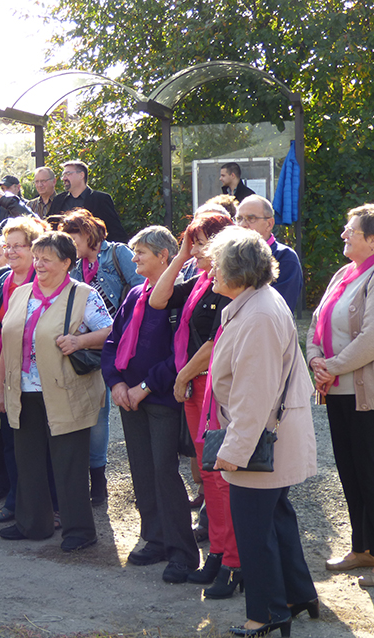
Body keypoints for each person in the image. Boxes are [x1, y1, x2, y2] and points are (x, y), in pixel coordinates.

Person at [206, 226, 318, 636]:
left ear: (238, 270)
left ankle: (268, 614)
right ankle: (298, 595)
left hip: (260, 442)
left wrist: (233, 450)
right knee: (277, 519)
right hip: (271, 437)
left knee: (254, 530)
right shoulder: (257, 305)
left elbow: (255, 395)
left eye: (217, 264)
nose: (211, 271)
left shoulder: (259, 315)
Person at [308, 203, 374, 588]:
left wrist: (330, 366)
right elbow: (316, 321)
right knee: (350, 470)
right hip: (338, 390)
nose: (343, 235)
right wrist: (316, 358)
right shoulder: (344, 273)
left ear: (373, 239)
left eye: (351, 231)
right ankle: (364, 547)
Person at [0, 231, 112, 551]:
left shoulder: (83, 295)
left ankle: (80, 530)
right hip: (24, 391)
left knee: (69, 463)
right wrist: (1, 391)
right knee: (28, 460)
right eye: (36, 257)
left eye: (46, 259)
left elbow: (111, 332)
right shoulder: (21, 293)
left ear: (66, 263)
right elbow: (6, 343)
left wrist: (80, 341)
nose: (39, 264)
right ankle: (33, 524)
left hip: (65, 391)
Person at [101, 225, 199, 583]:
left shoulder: (178, 298)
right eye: (134, 251)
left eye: (142, 252)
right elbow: (113, 341)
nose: (134, 257)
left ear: (164, 256)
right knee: (142, 470)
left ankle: (182, 553)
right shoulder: (134, 295)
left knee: (163, 471)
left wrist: (144, 386)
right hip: (130, 397)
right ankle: (154, 537)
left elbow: (181, 354)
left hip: (159, 397)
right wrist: (115, 383)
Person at [148, 212, 239, 597]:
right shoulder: (202, 280)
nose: (197, 250)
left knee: (220, 479)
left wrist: (183, 376)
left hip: (213, 388)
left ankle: (231, 560)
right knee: (208, 476)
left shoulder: (228, 286)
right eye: (194, 242)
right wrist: (182, 252)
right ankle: (217, 552)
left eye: (203, 242)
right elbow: (157, 299)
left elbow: (215, 340)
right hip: (195, 390)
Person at [63, 209, 144, 506]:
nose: (69, 244)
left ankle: (100, 480)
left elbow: (140, 289)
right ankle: (82, 477)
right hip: (86, 346)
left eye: (73, 237)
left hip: (121, 340)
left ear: (88, 234)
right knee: (86, 410)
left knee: (103, 413)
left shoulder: (117, 254)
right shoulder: (71, 266)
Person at [0, 216, 48, 522]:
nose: (13, 251)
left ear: (35, 249)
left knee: (35, 446)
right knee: (9, 441)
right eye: (9, 245)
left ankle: (37, 507)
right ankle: (16, 501)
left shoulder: (42, 280)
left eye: (20, 245)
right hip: (6, 370)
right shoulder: (4, 279)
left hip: (35, 375)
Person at [234, 195, 302, 313]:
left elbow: (278, 308)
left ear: (269, 224)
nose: (243, 225)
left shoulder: (285, 257)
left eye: (251, 219)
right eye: (239, 218)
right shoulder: (231, 256)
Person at [48, 160, 127, 242]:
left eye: (68, 174)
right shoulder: (58, 200)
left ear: (81, 175)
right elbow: (49, 227)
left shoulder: (101, 199)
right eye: (63, 175)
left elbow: (116, 233)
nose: (64, 178)